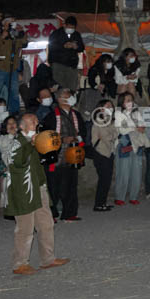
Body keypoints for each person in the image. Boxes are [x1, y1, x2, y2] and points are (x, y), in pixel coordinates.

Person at [9, 113, 70, 274]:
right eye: (32, 121)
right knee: (25, 227)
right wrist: (31, 143)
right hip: (24, 190)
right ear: (21, 126)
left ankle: (48, 259)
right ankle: (20, 263)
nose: (36, 123)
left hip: (39, 187)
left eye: (36, 120)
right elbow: (18, 161)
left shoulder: (37, 140)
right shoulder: (16, 142)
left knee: (46, 223)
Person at [41, 88, 87, 222]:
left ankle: (70, 213)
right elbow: (45, 137)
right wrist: (62, 140)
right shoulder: (51, 116)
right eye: (68, 95)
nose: (71, 97)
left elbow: (83, 133)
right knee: (53, 187)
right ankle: (51, 214)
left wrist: (76, 139)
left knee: (71, 185)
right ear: (60, 99)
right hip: (56, 157)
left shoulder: (76, 115)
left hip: (72, 156)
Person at [113, 92, 148, 205]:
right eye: (127, 100)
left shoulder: (137, 112)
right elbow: (122, 130)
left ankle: (133, 196)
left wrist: (134, 127)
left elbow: (142, 126)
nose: (130, 102)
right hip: (125, 143)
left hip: (137, 144)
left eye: (131, 100)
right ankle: (120, 197)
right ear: (122, 102)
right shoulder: (118, 113)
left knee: (136, 172)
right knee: (123, 171)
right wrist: (135, 127)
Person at [0, 20, 27, 115]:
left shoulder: (15, 34)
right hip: (0, 68)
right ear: (3, 24)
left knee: (14, 92)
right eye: (8, 23)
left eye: (12, 22)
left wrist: (22, 32)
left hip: (13, 69)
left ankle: (14, 112)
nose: (11, 24)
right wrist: (2, 36)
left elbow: (24, 44)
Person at [90, 100, 117, 212]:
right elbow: (108, 137)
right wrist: (111, 135)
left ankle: (102, 202)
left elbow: (116, 133)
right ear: (100, 109)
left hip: (109, 152)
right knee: (103, 179)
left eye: (111, 106)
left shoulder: (110, 121)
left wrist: (111, 135)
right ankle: (98, 204)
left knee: (107, 179)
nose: (110, 108)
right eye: (107, 106)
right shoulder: (99, 120)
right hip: (101, 153)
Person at [47, 16, 84, 94]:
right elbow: (51, 46)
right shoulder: (56, 34)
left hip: (72, 65)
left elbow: (81, 47)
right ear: (64, 25)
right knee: (60, 88)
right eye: (69, 27)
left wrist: (76, 47)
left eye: (72, 27)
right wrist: (63, 46)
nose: (70, 29)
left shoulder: (76, 34)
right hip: (58, 64)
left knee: (71, 88)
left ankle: (71, 103)